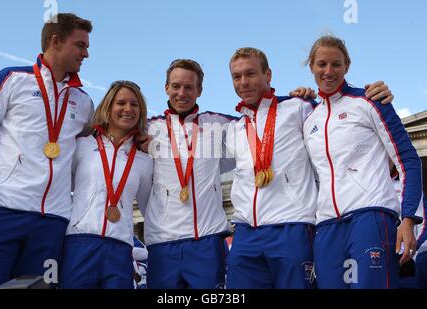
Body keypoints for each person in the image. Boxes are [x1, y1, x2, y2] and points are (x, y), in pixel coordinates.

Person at [225, 47, 395, 289]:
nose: (244, 82)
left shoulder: (299, 107)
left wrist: (376, 96)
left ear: (268, 75)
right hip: (245, 233)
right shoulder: (233, 128)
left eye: (251, 74)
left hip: (291, 226)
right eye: (237, 76)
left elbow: (338, 118)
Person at [0, 13, 94, 288]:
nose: (86, 54)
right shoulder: (12, 80)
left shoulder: (83, 101)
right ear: (56, 41)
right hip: (1, 211)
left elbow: (99, 139)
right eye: (81, 45)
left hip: (52, 221)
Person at [303, 35, 423, 288]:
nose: (328, 71)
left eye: (336, 64)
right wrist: (297, 97)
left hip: (370, 216)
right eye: (321, 64)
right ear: (311, 66)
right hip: (326, 225)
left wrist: (409, 218)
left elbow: (408, 160)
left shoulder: (370, 101)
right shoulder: (309, 118)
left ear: (347, 66)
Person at [144, 59, 235, 289]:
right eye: (176, 86)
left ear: (199, 91)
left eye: (188, 87)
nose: (181, 93)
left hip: (206, 241)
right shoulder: (146, 128)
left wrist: (294, 98)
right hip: (163, 243)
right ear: (166, 88)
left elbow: (259, 122)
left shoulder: (218, 123)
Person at [59, 81, 152, 289]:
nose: (128, 109)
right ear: (108, 108)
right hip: (79, 243)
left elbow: (150, 211)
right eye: (121, 103)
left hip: (120, 248)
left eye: (134, 104)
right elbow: (60, 188)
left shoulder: (144, 160)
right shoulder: (81, 146)